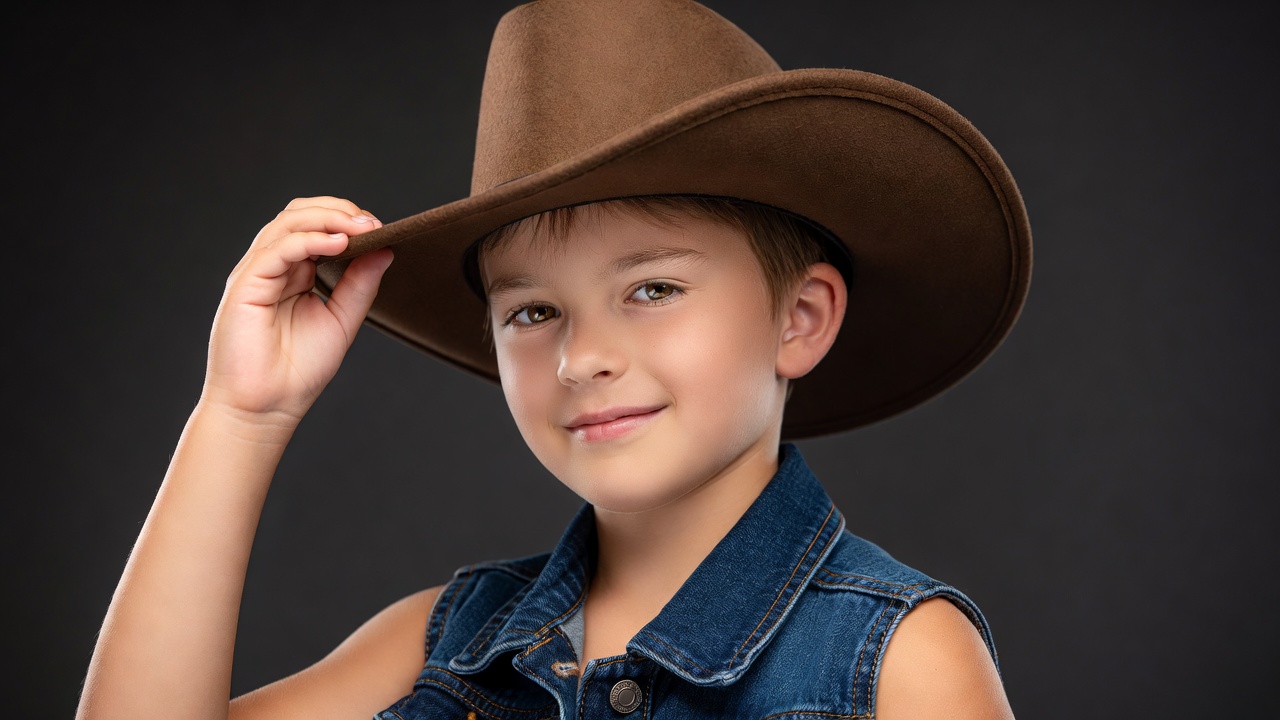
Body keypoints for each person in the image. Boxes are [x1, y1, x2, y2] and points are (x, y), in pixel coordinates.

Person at [77, 1, 1030, 718]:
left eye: (652, 289)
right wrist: (241, 418)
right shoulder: (442, 642)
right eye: (533, 310)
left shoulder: (900, 661)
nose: (582, 356)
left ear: (802, 317)